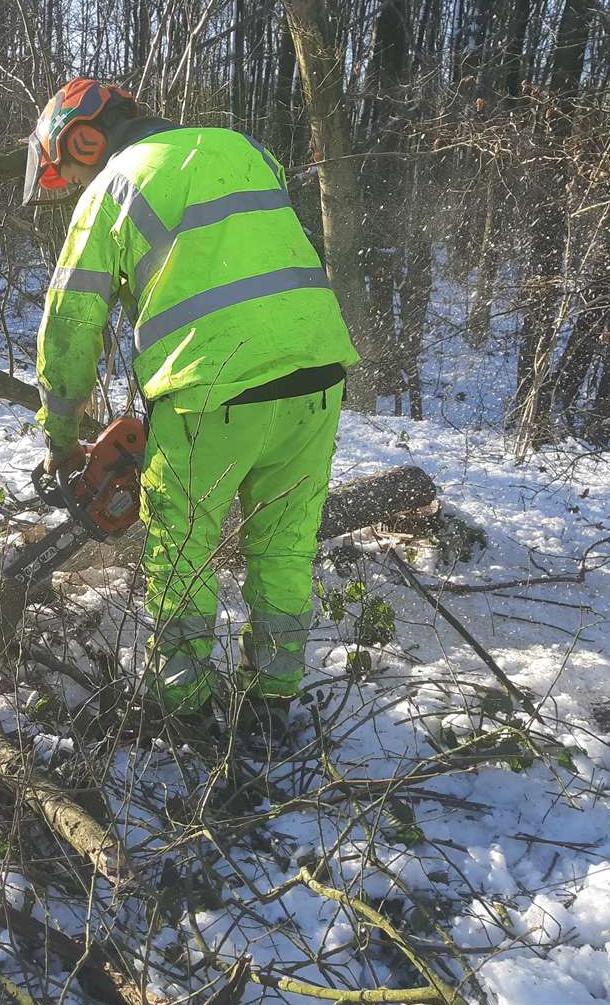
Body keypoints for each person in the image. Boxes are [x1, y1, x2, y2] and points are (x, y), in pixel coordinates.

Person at [24, 77, 359, 740]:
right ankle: (271, 703)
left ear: (86, 137)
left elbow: (71, 326)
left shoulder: (113, 186)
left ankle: (182, 708)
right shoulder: (244, 149)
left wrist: (63, 437)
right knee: (286, 547)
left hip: (211, 393)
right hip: (318, 376)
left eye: (72, 164)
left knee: (182, 553)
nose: (76, 179)